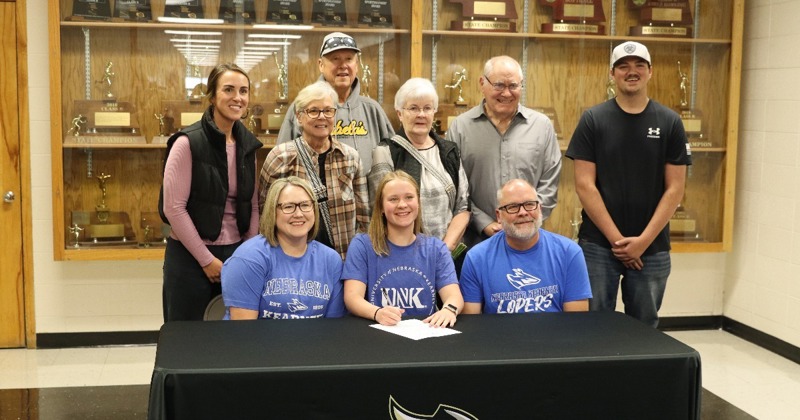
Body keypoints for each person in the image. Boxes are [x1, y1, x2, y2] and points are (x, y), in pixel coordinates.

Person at [565, 41, 691, 328]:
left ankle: (640, 376)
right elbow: (585, 185)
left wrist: (642, 242)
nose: (631, 71)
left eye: (639, 65)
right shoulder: (593, 120)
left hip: (652, 246)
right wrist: (618, 242)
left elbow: (675, 189)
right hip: (598, 245)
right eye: (623, 66)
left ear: (650, 72)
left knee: (645, 327)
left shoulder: (670, 122)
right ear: (612, 73)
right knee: (593, 326)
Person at [160, 63, 263, 322]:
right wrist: (206, 259)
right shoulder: (187, 142)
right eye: (228, 90)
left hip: (236, 255)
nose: (237, 97)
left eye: (243, 91)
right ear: (212, 96)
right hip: (190, 258)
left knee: (232, 343)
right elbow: (173, 208)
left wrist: (247, 255)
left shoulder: (248, 145)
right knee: (187, 342)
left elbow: (252, 205)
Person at [446, 55, 562, 247]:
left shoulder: (542, 127)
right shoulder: (460, 128)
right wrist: (483, 223)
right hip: (476, 242)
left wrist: (524, 221)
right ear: (482, 83)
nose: (506, 93)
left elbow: (549, 183)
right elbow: (455, 187)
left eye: (513, 86)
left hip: (529, 241)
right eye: (499, 85)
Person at [260, 81, 368, 260]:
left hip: (342, 260)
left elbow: (364, 217)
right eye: (313, 111)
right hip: (293, 262)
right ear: (299, 117)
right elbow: (265, 216)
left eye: (328, 110)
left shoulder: (350, 157)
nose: (322, 117)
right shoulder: (281, 157)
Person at [342, 171, 464, 327]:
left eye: (409, 197)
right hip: (379, 333)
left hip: (425, 334)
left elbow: (454, 296)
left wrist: (449, 310)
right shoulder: (362, 245)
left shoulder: (436, 249)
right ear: (381, 207)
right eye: (393, 199)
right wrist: (377, 313)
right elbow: (352, 297)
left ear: (418, 202)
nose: (402, 204)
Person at [460, 179, 591, 314]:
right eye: (512, 207)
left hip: (555, 334)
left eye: (529, 204)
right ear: (499, 216)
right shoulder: (476, 258)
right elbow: (472, 322)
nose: (523, 212)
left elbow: (576, 322)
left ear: (540, 209)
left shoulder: (569, 252)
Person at [369, 77, 470, 252]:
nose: (421, 114)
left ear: (434, 112)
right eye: (413, 108)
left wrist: (445, 249)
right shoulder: (386, 152)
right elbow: (381, 209)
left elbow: (462, 207)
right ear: (399, 113)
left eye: (427, 108)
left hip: (446, 253)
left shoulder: (449, 151)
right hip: (403, 252)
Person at [222, 177, 345, 320]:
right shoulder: (249, 258)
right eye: (288, 207)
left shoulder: (331, 260)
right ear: (272, 212)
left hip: (314, 341)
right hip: (259, 341)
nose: (298, 214)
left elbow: (333, 328)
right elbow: (243, 332)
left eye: (305, 205)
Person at [276, 32, 394, 170]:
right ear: (321, 64)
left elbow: (392, 160)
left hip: (364, 191)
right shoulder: (303, 107)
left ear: (356, 65)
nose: (343, 65)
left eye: (349, 59)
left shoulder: (372, 110)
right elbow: (282, 160)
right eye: (335, 59)